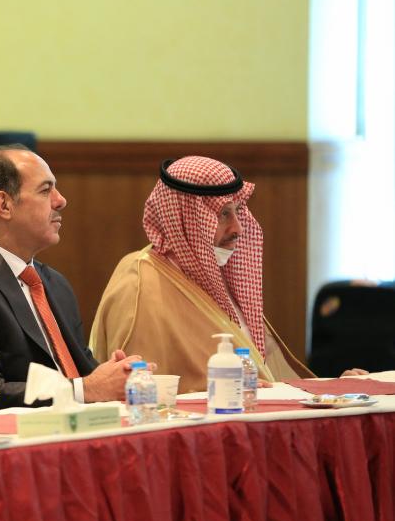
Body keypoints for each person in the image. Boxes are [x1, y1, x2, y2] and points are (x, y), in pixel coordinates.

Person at [90, 156, 363, 394]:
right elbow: (139, 391)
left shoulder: (219, 277)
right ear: (186, 217)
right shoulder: (140, 283)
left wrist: (334, 388)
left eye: (238, 211)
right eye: (223, 214)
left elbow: (265, 376)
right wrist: (228, 391)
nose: (237, 228)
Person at [0, 144, 145, 412]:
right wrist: (85, 390)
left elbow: (83, 374)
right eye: (45, 190)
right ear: (4, 205)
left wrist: (113, 376)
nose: (61, 200)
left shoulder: (54, 284)